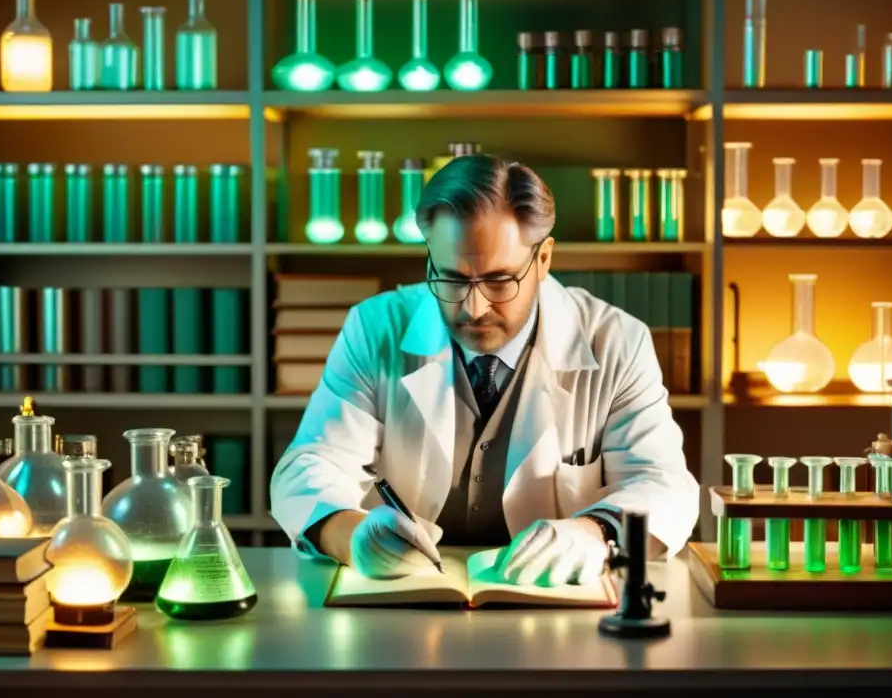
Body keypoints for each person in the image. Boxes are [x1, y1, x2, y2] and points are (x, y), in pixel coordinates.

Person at [270, 154, 699, 587]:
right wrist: (350, 534)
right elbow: (308, 465)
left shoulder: (618, 342)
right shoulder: (375, 328)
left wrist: (596, 534)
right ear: (429, 260)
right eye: (453, 279)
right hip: (407, 605)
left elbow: (663, 485)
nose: (474, 308)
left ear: (544, 258)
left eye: (499, 280)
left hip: (556, 609)